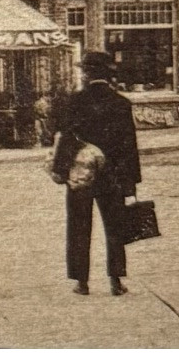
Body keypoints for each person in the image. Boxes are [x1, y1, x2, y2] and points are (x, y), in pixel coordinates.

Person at [50, 51, 142, 296]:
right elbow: (129, 146)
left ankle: (82, 282)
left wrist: (60, 170)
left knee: (79, 226)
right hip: (112, 175)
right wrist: (130, 183)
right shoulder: (121, 103)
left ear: (87, 73)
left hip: (81, 174)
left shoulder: (75, 102)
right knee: (115, 227)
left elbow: (66, 139)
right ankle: (116, 280)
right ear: (108, 76)